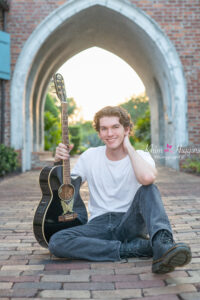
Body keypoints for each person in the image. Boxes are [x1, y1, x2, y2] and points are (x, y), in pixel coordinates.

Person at [49, 106, 191, 274]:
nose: (109, 133)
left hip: (130, 222)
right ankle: (136, 249)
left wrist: (128, 147)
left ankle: (162, 245)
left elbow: (147, 178)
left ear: (127, 129)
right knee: (57, 241)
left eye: (115, 127)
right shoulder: (90, 156)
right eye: (104, 129)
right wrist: (59, 163)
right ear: (99, 133)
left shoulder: (141, 156)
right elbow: (67, 190)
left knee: (149, 189)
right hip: (99, 225)